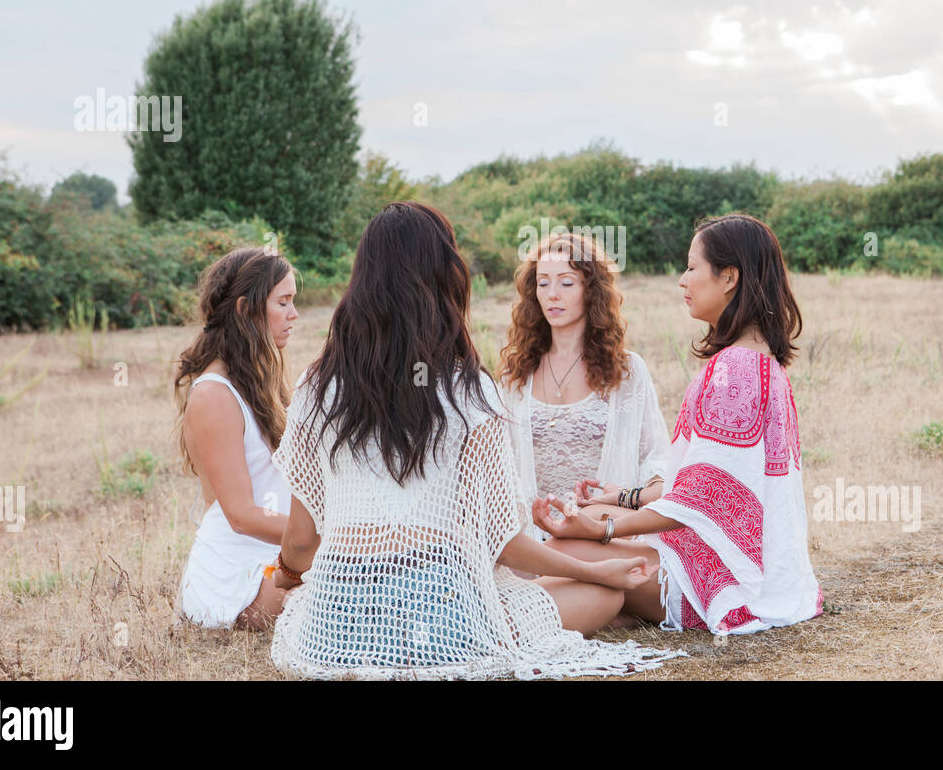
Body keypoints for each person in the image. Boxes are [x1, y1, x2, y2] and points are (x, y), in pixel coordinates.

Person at [267, 201, 685, 679]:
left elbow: (301, 542)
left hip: (335, 630)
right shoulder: (470, 390)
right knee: (604, 595)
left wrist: (287, 574)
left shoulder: (316, 387)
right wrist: (596, 572)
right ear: (446, 279)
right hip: (446, 618)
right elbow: (504, 544)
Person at [533, 213, 824, 634]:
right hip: (751, 570)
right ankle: (605, 610)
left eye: (692, 267)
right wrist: (626, 497)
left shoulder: (735, 369)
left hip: (723, 581)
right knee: (591, 520)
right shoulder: (759, 360)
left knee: (569, 542)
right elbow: (705, 484)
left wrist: (604, 526)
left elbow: (700, 502)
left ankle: (503, 621)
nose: (682, 281)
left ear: (728, 277)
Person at [498, 231, 668, 533]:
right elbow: (499, 470)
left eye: (566, 282)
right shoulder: (515, 376)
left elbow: (657, 463)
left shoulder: (628, 372)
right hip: (530, 540)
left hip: (602, 535)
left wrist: (626, 499)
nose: (552, 294)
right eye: (543, 283)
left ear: (591, 290)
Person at [175, 247, 300, 630]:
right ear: (246, 309)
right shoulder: (214, 394)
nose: (294, 315)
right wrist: (325, 533)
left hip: (282, 553)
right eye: (283, 302)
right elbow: (240, 515)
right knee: (349, 598)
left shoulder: (259, 381)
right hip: (236, 575)